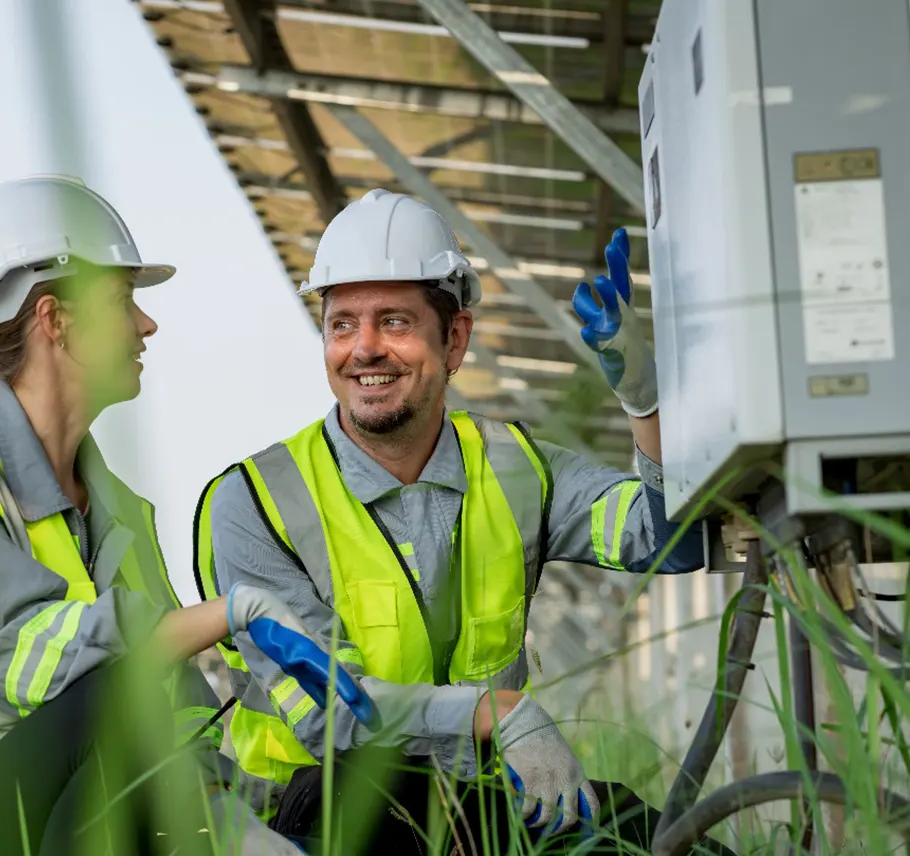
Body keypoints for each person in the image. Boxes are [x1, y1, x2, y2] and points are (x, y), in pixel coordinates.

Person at [192, 189, 731, 854]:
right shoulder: (256, 503)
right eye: (341, 324)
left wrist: (645, 401)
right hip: (321, 809)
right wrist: (498, 713)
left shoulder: (515, 469)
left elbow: (671, 542)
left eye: (394, 322)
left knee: (664, 843)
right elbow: (330, 717)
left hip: (484, 796)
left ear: (455, 338)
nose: (363, 350)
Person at [0, 176, 308, 856]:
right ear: (55, 318)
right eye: (122, 300)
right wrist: (228, 612)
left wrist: (271, 831)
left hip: (42, 829)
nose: (147, 324)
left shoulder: (120, 513)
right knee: (106, 709)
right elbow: (45, 669)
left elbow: (183, 719)